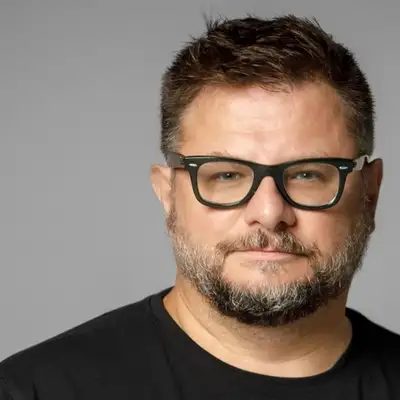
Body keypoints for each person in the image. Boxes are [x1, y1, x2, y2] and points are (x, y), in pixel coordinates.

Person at [0, 14, 398, 400]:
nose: (269, 212)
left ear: (370, 192)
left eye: (308, 175)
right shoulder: (31, 390)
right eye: (226, 175)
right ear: (168, 194)